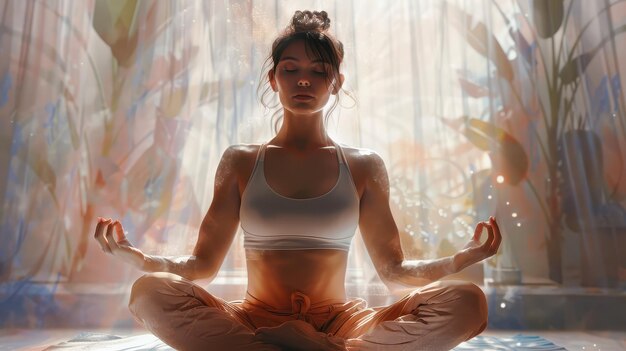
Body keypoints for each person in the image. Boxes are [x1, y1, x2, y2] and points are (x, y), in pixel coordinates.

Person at [93, 10, 501, 351]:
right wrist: (142, 260)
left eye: (318, 72)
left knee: (467, 302)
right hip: (253, 320)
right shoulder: (240, 161)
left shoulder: (364, 165)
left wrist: (459, 260)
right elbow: (201, 266)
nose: (303, 80)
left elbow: (393, 272)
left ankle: (309, 348)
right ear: (274, 79)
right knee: (149, 291)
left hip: (342, 324)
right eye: (291, 70)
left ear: (336, 83)